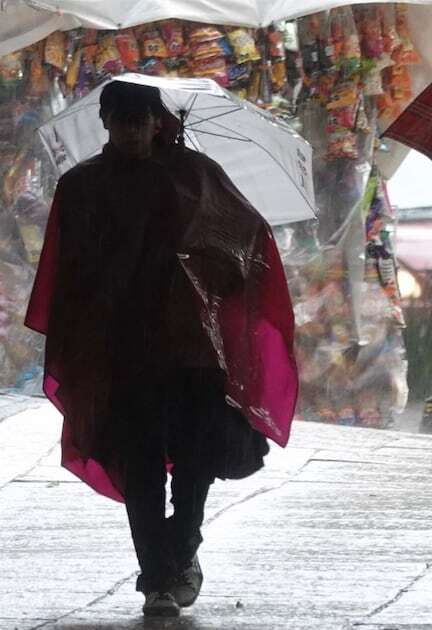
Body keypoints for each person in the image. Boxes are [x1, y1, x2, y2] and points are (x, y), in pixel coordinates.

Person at [24, 81, 298, 618]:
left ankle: (182, 547)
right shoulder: (83, 187)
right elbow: (70, 274)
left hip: (191, 349)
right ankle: (157, 573)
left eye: (140, 119)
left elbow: (245, 247)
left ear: (157, 121)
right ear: (106, 123)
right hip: (123, 350)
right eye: (121, 120)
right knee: (141, 459)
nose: (131, 130)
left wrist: (198, 251)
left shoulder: (197, 178)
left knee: (195, 457)